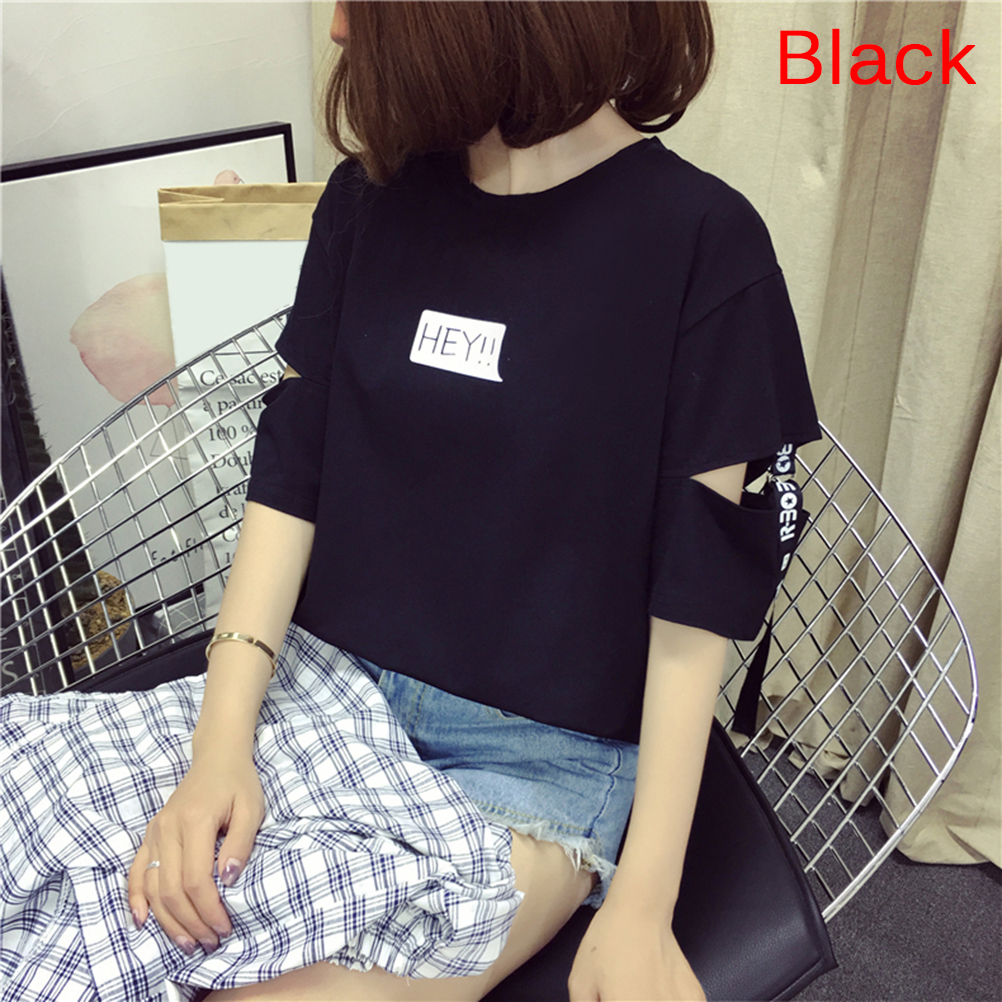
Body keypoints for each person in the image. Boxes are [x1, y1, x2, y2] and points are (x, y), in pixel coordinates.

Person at [1, 3, 821, 1001]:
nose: (339, 29)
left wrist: (645, 903)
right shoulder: (369, 200)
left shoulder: (704, 245)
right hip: (319, 690)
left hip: (532, 772)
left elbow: (700, 596)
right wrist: (218, 750)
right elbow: (289, 476)